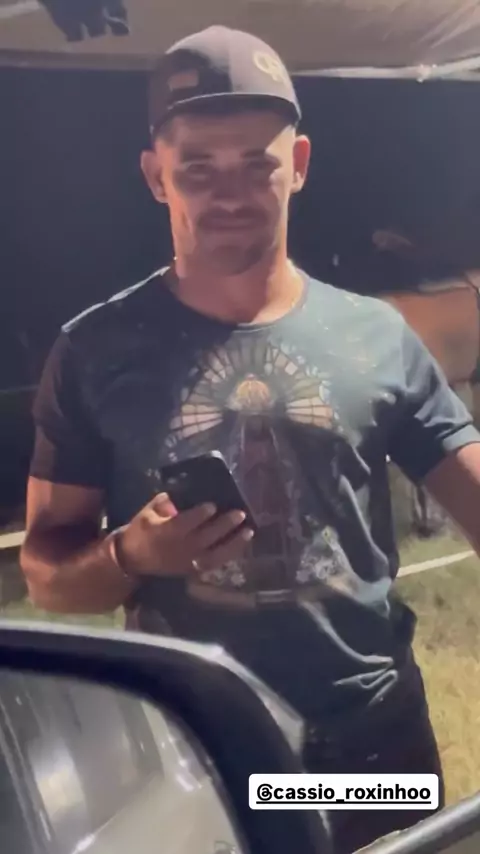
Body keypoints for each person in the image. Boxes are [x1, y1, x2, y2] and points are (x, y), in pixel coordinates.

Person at [20, 26, 480, 853]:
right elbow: (47, 579)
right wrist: (131, 556)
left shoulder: (376, 334)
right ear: (156, 175)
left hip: (376, 743)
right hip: (201, 747)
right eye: (198, 166)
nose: (229, 192)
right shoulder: (93, 350)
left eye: (255, 163)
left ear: (297, 163)